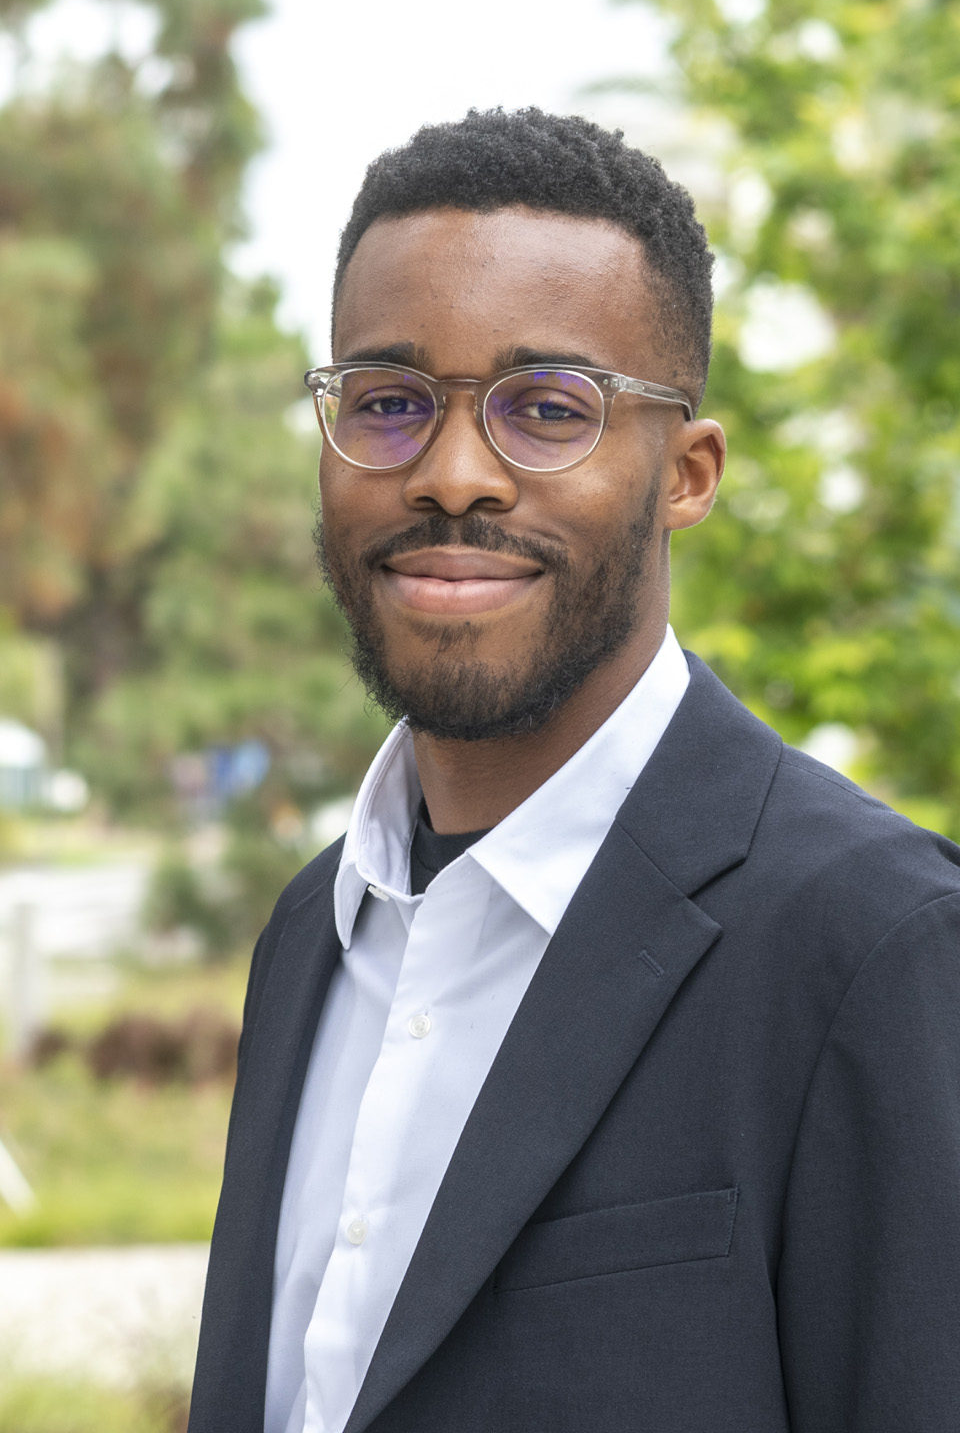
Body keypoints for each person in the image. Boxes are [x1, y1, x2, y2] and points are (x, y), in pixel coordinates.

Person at [187, 108, 960, 1433]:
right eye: (386, 402)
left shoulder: (873, 944)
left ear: (688, 474)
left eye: (547, 409)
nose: (451, 473)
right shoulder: (308, 939)